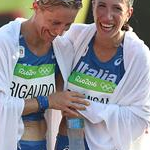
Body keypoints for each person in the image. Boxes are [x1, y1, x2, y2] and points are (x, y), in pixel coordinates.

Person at [55, 0, 150, 150]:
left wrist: (85, 108)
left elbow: (140, 117)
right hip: (69, 137)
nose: (107, 17)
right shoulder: (75, 35)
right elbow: (52, 71)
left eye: (117, 9)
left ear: (128, 13)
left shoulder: (138, 55)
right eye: (101, 6)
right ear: (93, 6)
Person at [0, 0, 91, 150]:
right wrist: (46, 101)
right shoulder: (4, 42)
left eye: (67, 25)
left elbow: (71, 108)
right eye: (55, 22)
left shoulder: (63, 49)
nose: (59, 32)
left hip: (41, 143)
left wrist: (76, 145)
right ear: (36, 7)